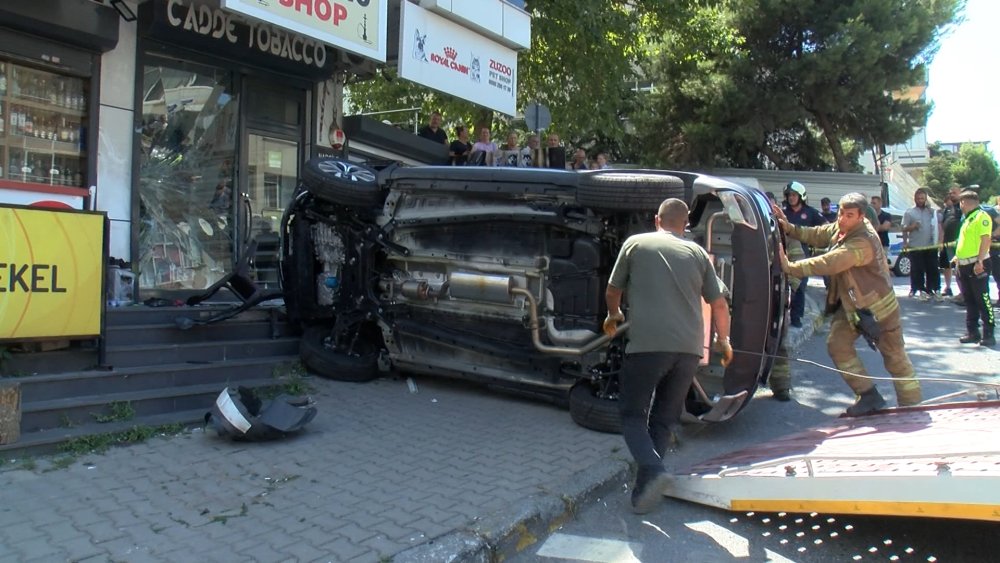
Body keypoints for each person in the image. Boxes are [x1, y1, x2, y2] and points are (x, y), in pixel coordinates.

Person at [603, 198, 732, 514]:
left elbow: (612, 289)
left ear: (656, 219)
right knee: (663, 418)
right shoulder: (698, 253)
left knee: (632, 415)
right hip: (689, 351)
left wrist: (613, 315)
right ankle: (644, 492)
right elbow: (719, 304)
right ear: (685, 223)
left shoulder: (636, 243)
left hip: (648, 346)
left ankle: (655, 470)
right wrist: (724, 341)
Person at [774, 192, 922, 415]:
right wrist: (789, 228)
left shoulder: (863, 241)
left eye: (849, 215)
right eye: (841, 213)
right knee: (837, 345)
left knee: (895, 358)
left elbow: (832, 262)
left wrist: (790, 267)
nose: (842, 218)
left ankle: (913, 408)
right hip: (853, 307)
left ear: (861, 217)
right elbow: (820, 233)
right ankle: (868, 395)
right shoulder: (843, 228)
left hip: (880, 311)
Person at [782, 181, 827, 327]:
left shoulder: (810, 212)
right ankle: (782, 317)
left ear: (801, 196)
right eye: (789, 195)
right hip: (785, 254)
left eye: (794, 195)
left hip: (804, 255)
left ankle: (796, 318)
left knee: (800, 286)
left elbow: (825, 226)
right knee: (783, 285)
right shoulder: (783, 212)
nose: (791, 198)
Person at [953, 190, 995, 346]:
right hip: (963, 264)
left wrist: (979, 262)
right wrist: (958, 257)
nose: (960, 206)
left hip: (977, 264)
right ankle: (973, 332)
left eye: (961, 203)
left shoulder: (981, 217)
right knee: (969, 300)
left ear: (964, 202)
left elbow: (986, 239)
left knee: (982, 299)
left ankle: (989, 334)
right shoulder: (968, 219)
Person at [901, 188, 940, 301]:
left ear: (926, 199)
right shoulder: (909, 212)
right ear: (915, 199)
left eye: (922, 198)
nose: (920, 200)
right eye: (918, 198)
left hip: (930, 245)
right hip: (915, 245)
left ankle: (932, 289)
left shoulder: (932, 212)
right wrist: (911, 228)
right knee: (918, 269)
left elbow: (939, 223)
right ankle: (920, 289)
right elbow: (903, 228)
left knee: (932, 268)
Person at [937, 186, 963, 298]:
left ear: (960, 193)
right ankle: (948, 288)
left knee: (960, 267)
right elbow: (942, 226)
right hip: (947, 243)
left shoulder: (962, 207)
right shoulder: (948, 209)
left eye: (954, 193)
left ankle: (963, 292)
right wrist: (941, 241)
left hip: (959, 243)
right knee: (947, 266)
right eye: (950, 193)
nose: (952, 195)